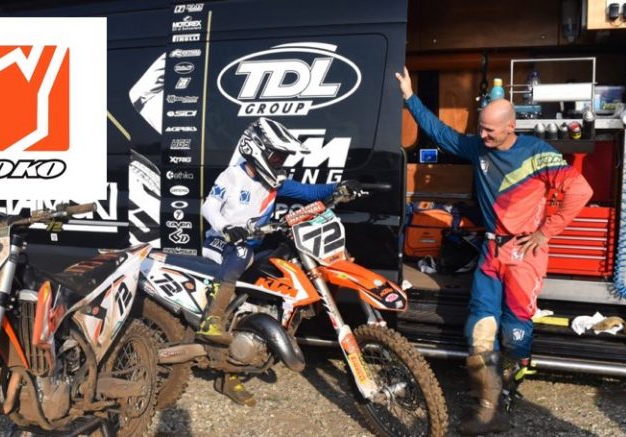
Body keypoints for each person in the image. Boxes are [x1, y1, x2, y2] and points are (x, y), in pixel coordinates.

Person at [396, 67, 593, 434]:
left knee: (515, 332)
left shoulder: (537, 152)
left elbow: (581, 190)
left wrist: (545, 233)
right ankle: (488, 410)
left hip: (524, 255)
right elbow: (442, 133)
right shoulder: (478, 147)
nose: (482, 135)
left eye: (489, 130)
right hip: (491, 251)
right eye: (481, 128)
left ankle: (511, 389)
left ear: (510, 126)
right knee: (480, 329)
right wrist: (410, 97)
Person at [199, 116, 359, 406]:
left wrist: (340, 187)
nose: (280, 162)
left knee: (287, 259)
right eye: (276, 156)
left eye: (283, 157)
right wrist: (227, 228)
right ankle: (212, 318)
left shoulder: (274, 183)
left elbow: (310, 192)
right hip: (221, 243)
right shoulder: (232, 176)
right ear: (256, 149)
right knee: (242, 253)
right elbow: (208, 206)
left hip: (250, 244)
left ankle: (273, 328)